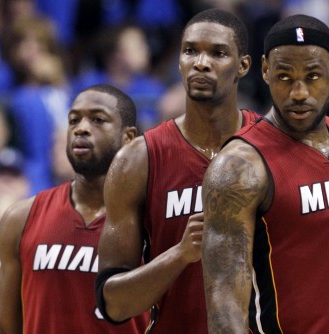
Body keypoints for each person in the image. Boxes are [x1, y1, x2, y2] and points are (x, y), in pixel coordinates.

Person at [201, 14, 329, 333]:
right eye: (285, 77)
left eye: (313, 76)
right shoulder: (238, 167)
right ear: (265, 70)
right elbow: (225, 306)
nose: (299, 93)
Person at [96, 8, 258, 333]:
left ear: (243, 65)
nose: (201, 62)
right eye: (190, 50)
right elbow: (113, 303)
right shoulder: (138, 160)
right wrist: (180, 254)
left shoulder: (273, 147)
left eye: (218, 53)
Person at [0, 84, 149, 334]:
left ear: (128, 137)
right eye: (74, 120)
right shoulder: (20, 218)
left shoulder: (154, 221)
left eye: (98, 119)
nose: (81, 128)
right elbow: (4, 327)